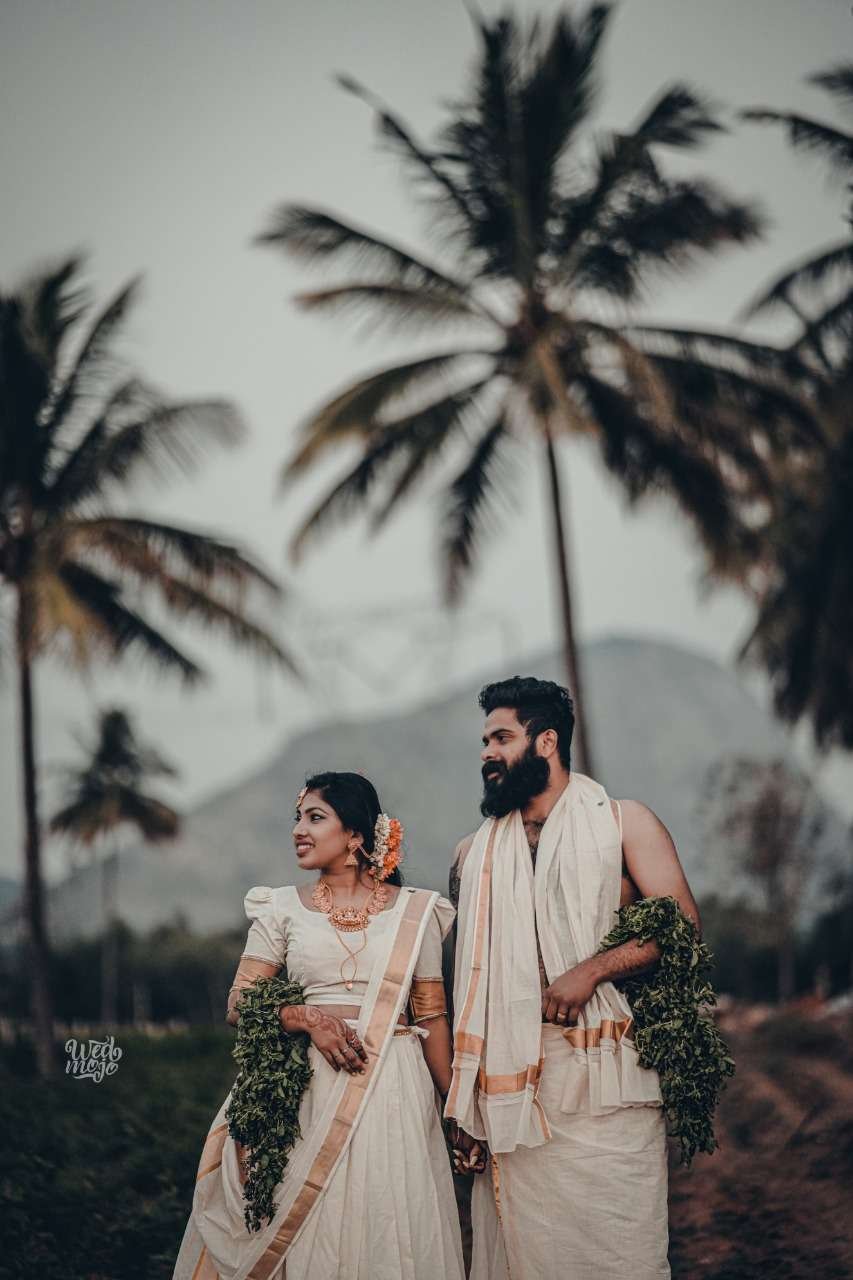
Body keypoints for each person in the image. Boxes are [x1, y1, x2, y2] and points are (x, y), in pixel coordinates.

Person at [446, 677, 701, 1280]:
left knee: (619, 1250)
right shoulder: (471, 854)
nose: (486, 753)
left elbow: (683, 929)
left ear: (546, 742)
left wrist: (591, 970)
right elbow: (464, 981)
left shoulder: (623, 824)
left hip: (605, 1082)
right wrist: (462, 1104)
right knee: (525, 1259)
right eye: (485, 741)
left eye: (501, 738)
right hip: (509, 1087)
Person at [173, 771, 464, 1280]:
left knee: (386, 1218)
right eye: (298, 818)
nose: (298, 830)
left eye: (314, 817)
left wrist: (457, 1109)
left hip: (393, 1089)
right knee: (305, 1225)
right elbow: (239, 1003)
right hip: (304, 1089)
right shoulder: (281, 908)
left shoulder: (417, 912)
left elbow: (432, 1018)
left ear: (354, 834)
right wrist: (306, 1018)